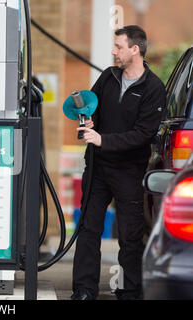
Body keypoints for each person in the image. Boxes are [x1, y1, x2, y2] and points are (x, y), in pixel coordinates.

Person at [71, 26, 166, 300]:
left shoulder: (153, 88)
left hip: (128, 171)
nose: (113, 52)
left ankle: (127, 291)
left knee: (130, 236)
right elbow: (91, 109)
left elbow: (142, 134)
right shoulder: (108, 77)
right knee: (89, 229)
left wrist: (103, 140)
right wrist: (89, 122)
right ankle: (84, 290)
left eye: (118, 47)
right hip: (98, 169)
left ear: (135, 49)